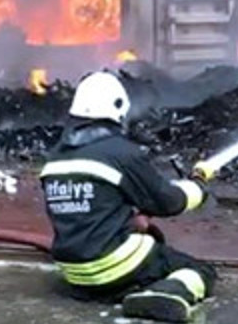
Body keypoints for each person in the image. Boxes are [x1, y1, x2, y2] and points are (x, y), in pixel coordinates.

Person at [40, 71, 215, 323]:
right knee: (199, 271)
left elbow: (92, 210)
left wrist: (132, 219)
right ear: (117, 107)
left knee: (142, 255)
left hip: (73, 272)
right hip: (112, 265)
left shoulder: (56, 157)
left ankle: (129, 289)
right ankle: (163, 294)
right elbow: (168, 201)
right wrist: (198, 186)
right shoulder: (121, 153)